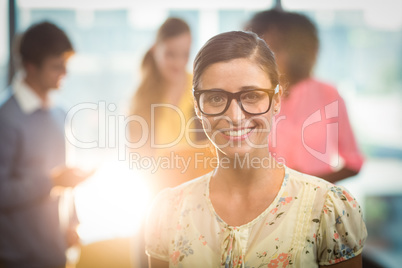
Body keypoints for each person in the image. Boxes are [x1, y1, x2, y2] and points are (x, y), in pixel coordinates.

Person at [145, 31, 367, 267]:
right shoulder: (167, 211)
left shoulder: (329, 209)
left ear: (277, 100)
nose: (235, 116)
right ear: (198, 107)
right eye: (216, 98)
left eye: (251, 96)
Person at [0, 21, 91, 267]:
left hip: (55, 254)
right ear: (30, 67)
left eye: (65, 65)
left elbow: (64, 183)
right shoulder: (6, 119)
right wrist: (51, 182)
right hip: (18, 259)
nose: (64, 73)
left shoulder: (60, 113)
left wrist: (73, 222)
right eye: (56, 66)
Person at [246, 10, 364, 183]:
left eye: (277, 48)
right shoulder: (249, 98)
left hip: (316, 204)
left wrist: (307, 184)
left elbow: (354, 163)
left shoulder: (329, 95)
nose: (270, 57)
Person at [129, 17, 213, 194]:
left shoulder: (202, 90)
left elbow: (212, 149)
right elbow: (137, 157)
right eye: (170, 54)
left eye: (185, 54)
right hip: (159, 191)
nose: (178, 63)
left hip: (198, 189)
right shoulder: (142, 98)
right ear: (154, 50)